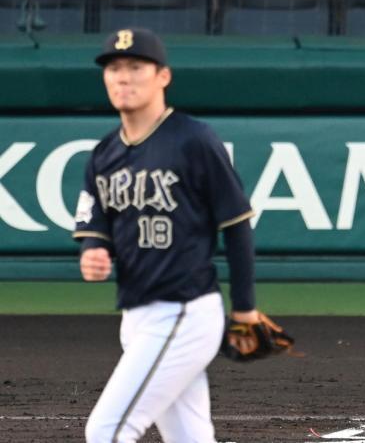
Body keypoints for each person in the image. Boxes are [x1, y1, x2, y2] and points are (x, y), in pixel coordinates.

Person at [75, 28, 263, 441]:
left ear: (163, 76)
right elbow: (98, 224)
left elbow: (236, 226)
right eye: (114, 68)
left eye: (136, 67)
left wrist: (245, 307)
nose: (123, 77)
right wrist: (94, 249)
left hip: (183, 310)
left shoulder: (194, 139)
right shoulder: (104, 153)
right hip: (136, 313)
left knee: (107, 431)